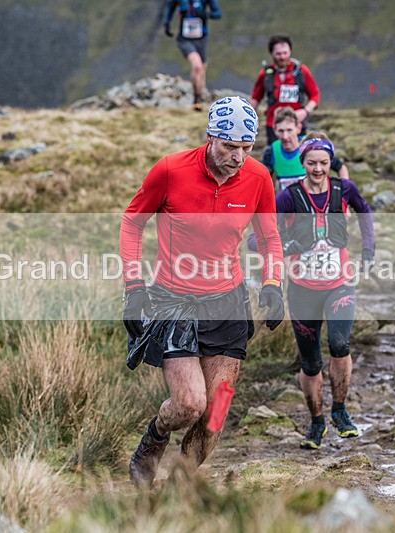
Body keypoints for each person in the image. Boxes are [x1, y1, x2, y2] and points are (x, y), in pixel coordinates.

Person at [120, 96, 285, 488]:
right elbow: (132, 223)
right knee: (189, 404)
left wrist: (273, 285)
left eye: (246, 148)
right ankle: (155, 436)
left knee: (216, 413)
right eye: (229, 146)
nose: (238, 157)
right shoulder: (170, 170)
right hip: (174, 303)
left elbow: (269, 237)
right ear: (210, 137)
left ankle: (178, 491)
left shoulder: (258, 178)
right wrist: (134, 288)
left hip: (228, 305)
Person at [277, 136, 375, 450]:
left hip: (339, 285)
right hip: (302, 290)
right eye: (311, 163)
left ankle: (340, 412)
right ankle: (317, 422)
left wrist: (369, 250)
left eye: (324, 163)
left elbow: (365, 212)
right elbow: (258, 237)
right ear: (302, 163)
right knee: (310, 363)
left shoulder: (344, 189)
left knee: (339, 343)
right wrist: (288, 245)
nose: (318, 169)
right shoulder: (288, 197)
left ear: (331, 163)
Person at [249, 35, 321, 144]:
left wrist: (305, 111)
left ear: (290, 52)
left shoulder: (301, 71)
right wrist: (246, 116)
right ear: (271, 53)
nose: (282, 57)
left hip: (297, 124)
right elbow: (255, 98)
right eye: (278, 54)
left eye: (285, 53)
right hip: (273, 126)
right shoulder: (265, 74)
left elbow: (315, 95)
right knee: (275, 153)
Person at [263, 108, 349, 191]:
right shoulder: (271, 151)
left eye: (289, 130)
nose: (285, 136)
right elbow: (263, 179)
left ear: (298, 128)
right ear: (274, 130)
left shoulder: (312, 145)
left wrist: (343, 193)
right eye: (281, 131)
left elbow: (341, 168)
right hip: (286, 200)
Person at [163, 0, 222, 111]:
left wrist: (205, 15)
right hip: (184, 40)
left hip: (201, 40)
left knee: (201, 70)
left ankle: (200, 98)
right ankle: (196, 99)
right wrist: (166, 23)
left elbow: (218, 14)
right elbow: (169, 8)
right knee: (197, 66)